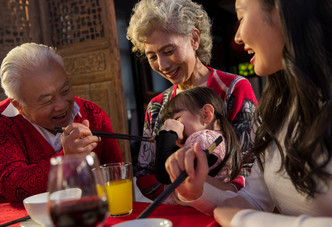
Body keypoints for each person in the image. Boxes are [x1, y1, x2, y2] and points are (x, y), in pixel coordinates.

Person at [165, 0, 332, 226]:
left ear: (281, 10)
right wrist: (196, 191)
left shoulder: (235, 88)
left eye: (241, 17)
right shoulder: (274, 109)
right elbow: (254, 198)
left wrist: (244, 220)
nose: (237, 37)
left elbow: (244, 213)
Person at [126, 0, 257, 200]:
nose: (162, 65)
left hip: (230, 208)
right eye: (152, 56)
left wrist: (191, 189)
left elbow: (249, 169)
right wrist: (183, 197)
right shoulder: (157, 106)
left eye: (169, 51)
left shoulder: (234, 89)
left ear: (194, 39)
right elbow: (145, 178)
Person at [0, 43, 123, 203]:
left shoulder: (92, 114)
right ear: (18, 105)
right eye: (47, 100)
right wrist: (67, 158)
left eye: (65, 91)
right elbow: (14, 187)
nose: (62, 105)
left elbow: (117, 176)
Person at [155, 87, 241, 189]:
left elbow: (166, 174)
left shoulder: (203, 139)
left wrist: (169, 133)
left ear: (206, 114)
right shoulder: (220, 138)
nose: (174, 126)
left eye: (177, 119)